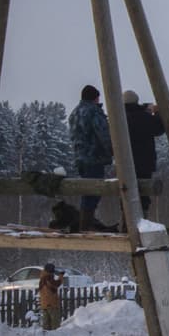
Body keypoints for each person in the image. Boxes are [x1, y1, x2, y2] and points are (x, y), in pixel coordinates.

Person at [68, 84, 114, 232]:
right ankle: (86, 225)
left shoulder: (75, 113)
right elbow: (103, 134)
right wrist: (113, 150)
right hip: (94, 157)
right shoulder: (94, 112)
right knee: (94, 191)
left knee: (87, 191)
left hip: (80, 157)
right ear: (95, 98)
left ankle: (85, 223)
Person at [123, 90, 166, 219]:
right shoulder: (144, 117)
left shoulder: (119, 117)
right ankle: (142, 221)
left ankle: (126, 221)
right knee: (143, 193)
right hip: (144, 162)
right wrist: (156, 113)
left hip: (124, 162)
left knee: (125, 193)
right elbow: (159, 128)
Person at [38, 263, 64, 331]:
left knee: (46, 325)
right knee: (55, 325)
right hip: (52, 304)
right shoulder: (48, 278)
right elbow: (56, 284)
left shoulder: (42, 278)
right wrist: (61, 276)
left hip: (44, 304)